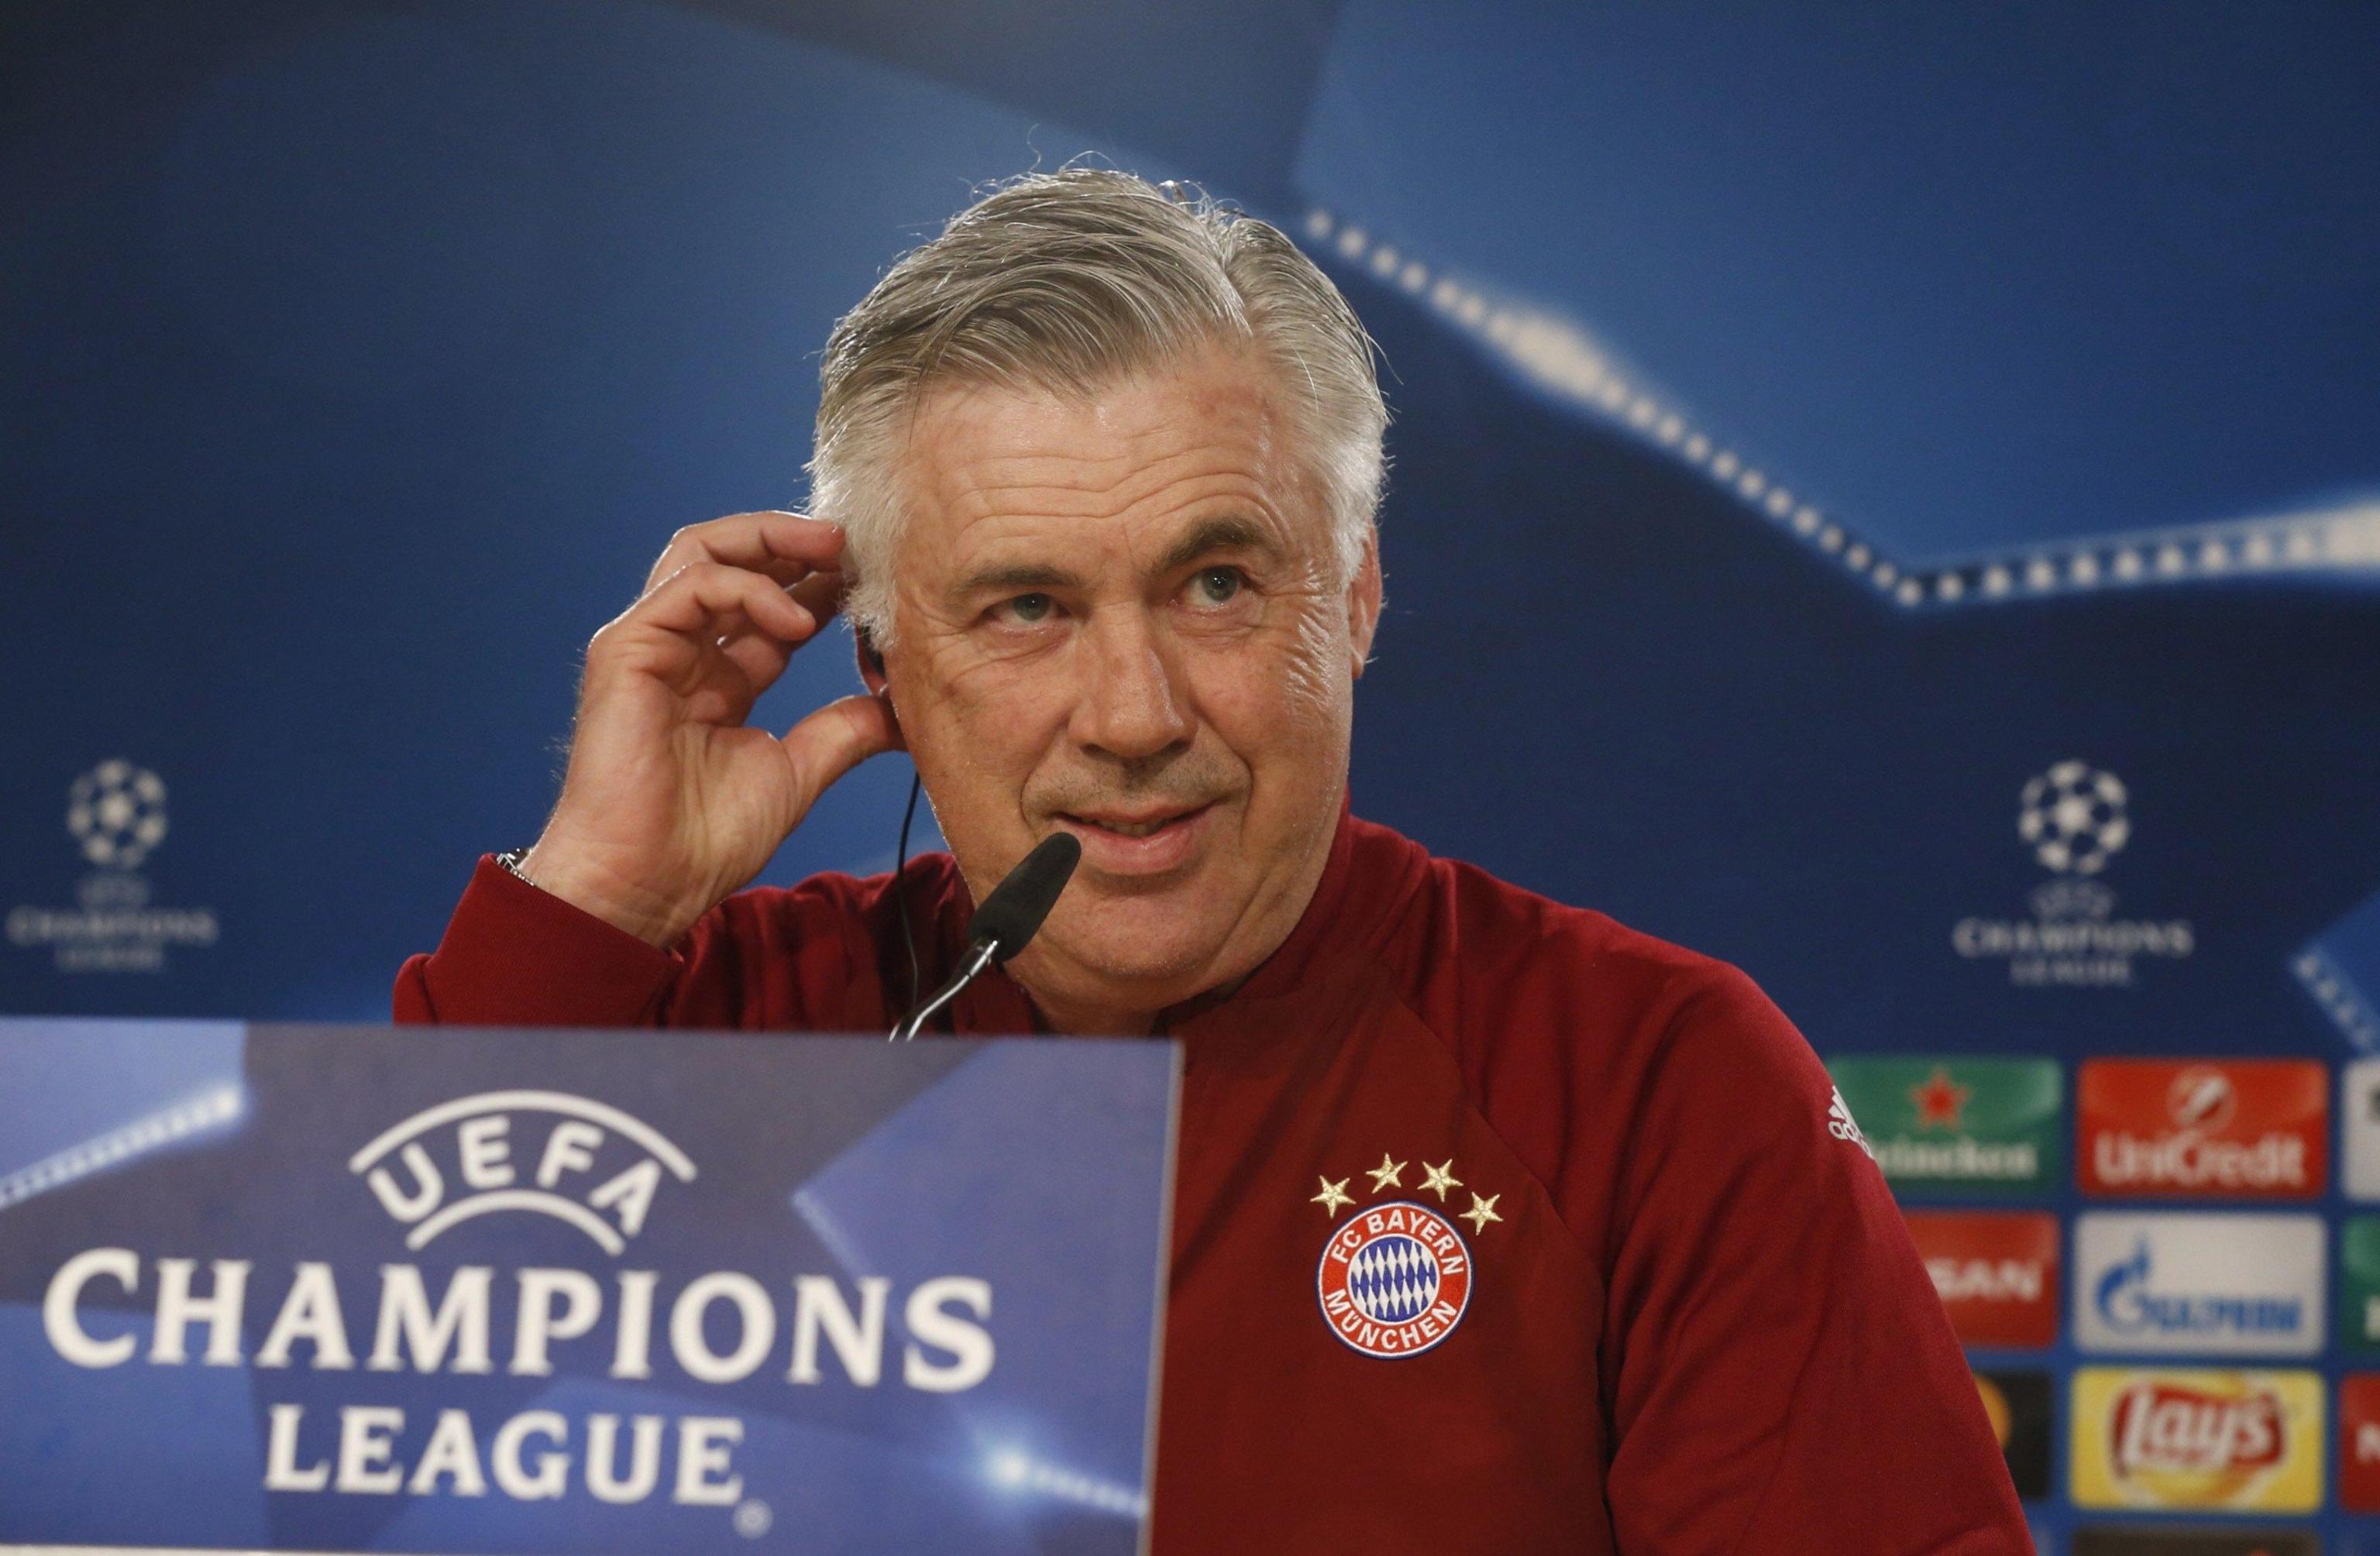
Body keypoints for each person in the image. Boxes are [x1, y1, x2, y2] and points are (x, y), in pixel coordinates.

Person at [396, 167, 2028, 1551]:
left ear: (1357, 599)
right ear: (884, 665)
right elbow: (348, 1456)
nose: (1134, 714)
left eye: (1219, 585)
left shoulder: (1653, 1087)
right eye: (1027, 605)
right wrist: (594, 900)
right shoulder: (709, 1044)